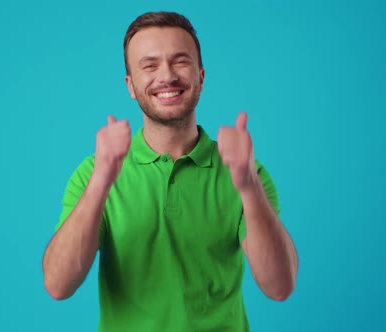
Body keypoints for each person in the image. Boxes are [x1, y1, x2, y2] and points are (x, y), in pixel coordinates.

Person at [42, 11, 298, 331]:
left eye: (180, 61)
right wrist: (101, 182)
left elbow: (279, 286)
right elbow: (57, 285)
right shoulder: (93, 172)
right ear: (131, 86)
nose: (167, 76)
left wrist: (248, 187)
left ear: (201, 77)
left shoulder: (248, 172)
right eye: (149, 65)